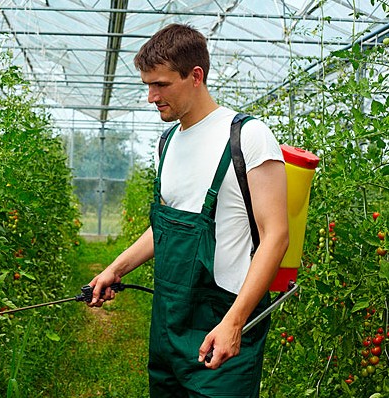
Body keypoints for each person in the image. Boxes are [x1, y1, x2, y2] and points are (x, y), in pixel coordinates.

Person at [88, 23, 289, 397]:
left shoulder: (246, 137)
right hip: (168, 322)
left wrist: (234, 323)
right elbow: (166, 228)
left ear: (195, 76)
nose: (151, 96)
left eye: (161, 85)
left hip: (224, 321)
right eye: (147, 84)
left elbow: (276, 236)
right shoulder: (167, 143)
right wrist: (114, 269)